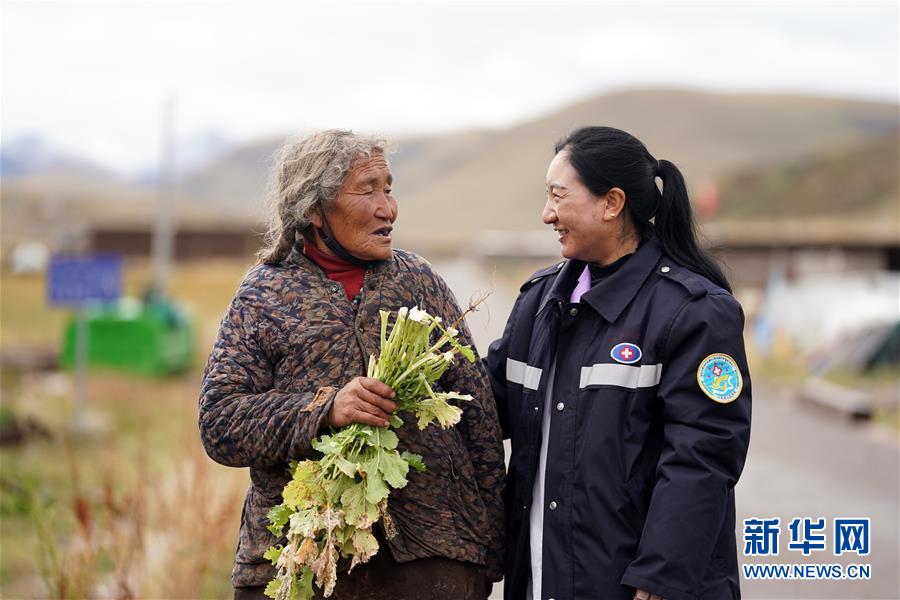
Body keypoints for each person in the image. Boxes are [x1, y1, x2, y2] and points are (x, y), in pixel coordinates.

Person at [199, 130, 505, 600]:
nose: (389, 207)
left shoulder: (418, 282)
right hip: (300, 561)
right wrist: (325, 409)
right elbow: (220, 423)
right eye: (368, 190)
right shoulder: (264, 294)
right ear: (313, 210)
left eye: (389, 187)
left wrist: (491, 549)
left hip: (431, 560)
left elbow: (478, 418)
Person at [485, 126, 752, 600]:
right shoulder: (539, 303)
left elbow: (703, 455)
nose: (547, 214)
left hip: (637, 585)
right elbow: (487, 408)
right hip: (542, 580)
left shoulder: (693, 311)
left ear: (612, 203)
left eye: (558, 196)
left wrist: (660, 576)